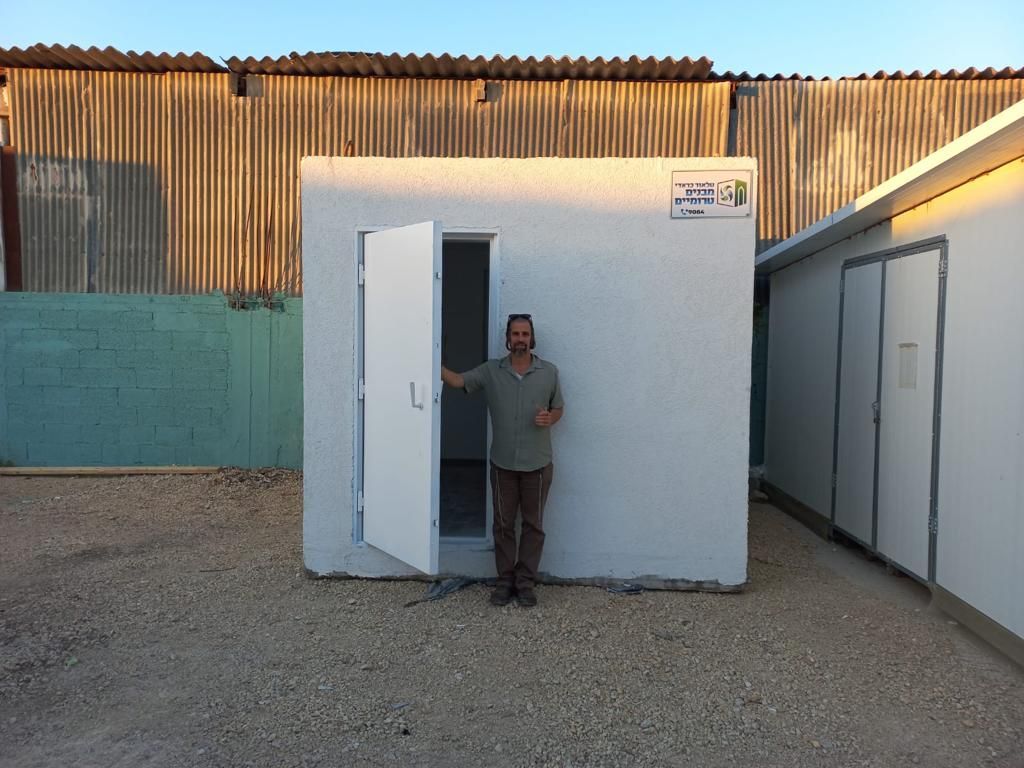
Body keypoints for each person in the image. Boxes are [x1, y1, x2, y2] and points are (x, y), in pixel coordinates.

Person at [441, 314, 564, 608]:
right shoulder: (491, 371)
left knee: (533, 526)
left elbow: (558, 407)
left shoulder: (549, 372)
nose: (520, 339)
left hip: (537, 465)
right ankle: (505, 581)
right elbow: (458, 381)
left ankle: (525, 583)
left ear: (532, 338)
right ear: (507, 339)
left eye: (525, 334)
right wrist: (431, 358)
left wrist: (551, 418)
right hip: (502, 466)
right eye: (515, 334)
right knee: (503, 525)